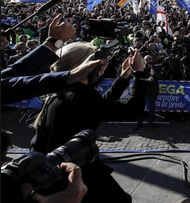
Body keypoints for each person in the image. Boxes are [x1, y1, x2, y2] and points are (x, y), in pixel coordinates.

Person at [31, 42, 148, 203]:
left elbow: (99, 106)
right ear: (78, 66)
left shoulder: (66, 90)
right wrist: (140, 74)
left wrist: (123, 78)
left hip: (55, 168)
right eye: (97, 62)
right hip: (72, 173)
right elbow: (132, 110)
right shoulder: (81, 96)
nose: (102, 67)